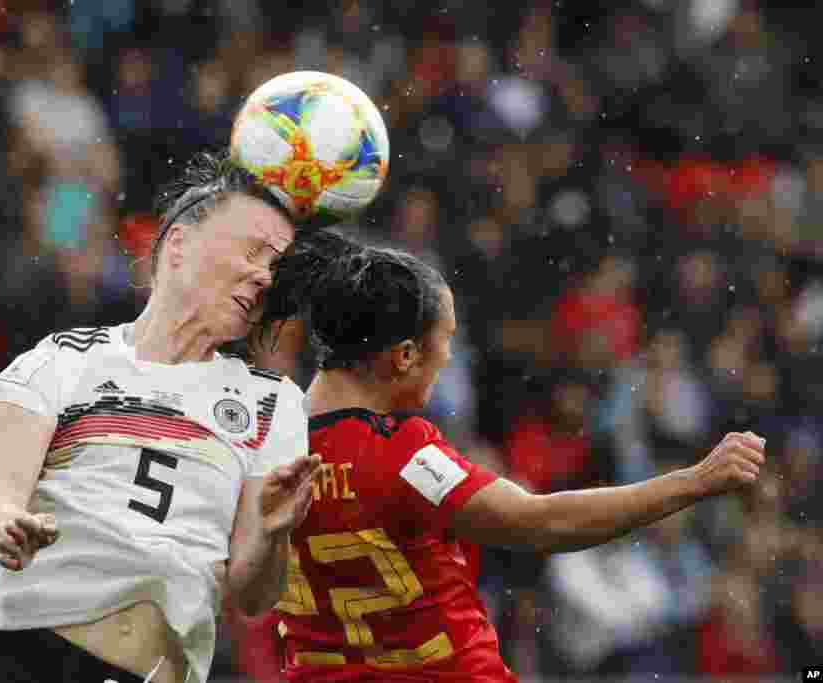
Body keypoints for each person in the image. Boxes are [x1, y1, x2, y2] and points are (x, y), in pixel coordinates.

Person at [254, 229, 766, 682]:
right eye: (446, 340)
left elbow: (245, 593)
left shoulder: (266, 442)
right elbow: (541, 524)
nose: (450, 357)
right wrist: (695, 481)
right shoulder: (402, 452)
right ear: (406, 355)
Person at [0, 151, 322, 683]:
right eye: (252, 252)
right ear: (178, 246)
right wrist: (10, 521)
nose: (264, 276)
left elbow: (253, 595)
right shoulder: (62, 359)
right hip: (22, 658)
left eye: (274, 267)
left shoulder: (273, 402)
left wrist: (275, 534)